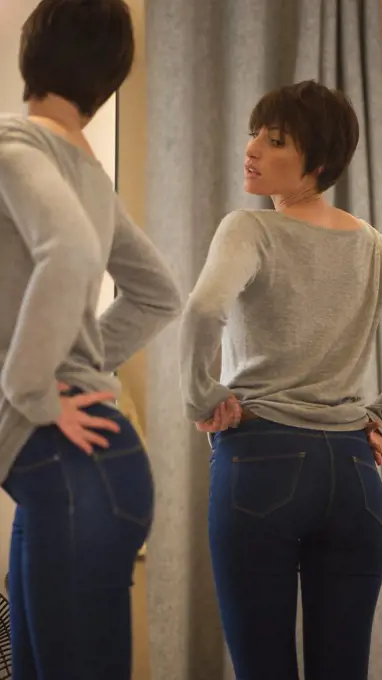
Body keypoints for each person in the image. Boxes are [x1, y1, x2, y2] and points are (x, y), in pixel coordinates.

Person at [179, 80, 382, 680]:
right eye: (256, 132)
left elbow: (204, 309)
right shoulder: (373, 247)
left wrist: (204, 396)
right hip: (356, 475)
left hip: (260, 463)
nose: (252, 147)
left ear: (321, 163)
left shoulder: (250, 229)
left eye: (275, 139)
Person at [0, 1, 181, 678]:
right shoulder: (87, 173)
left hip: (69, 465)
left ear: (32, 50)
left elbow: (71, 251)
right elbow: (159, 293)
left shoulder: (12, 144)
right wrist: (75, 367)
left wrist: (32, 389)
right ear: (109, 77)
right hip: (93, 469)